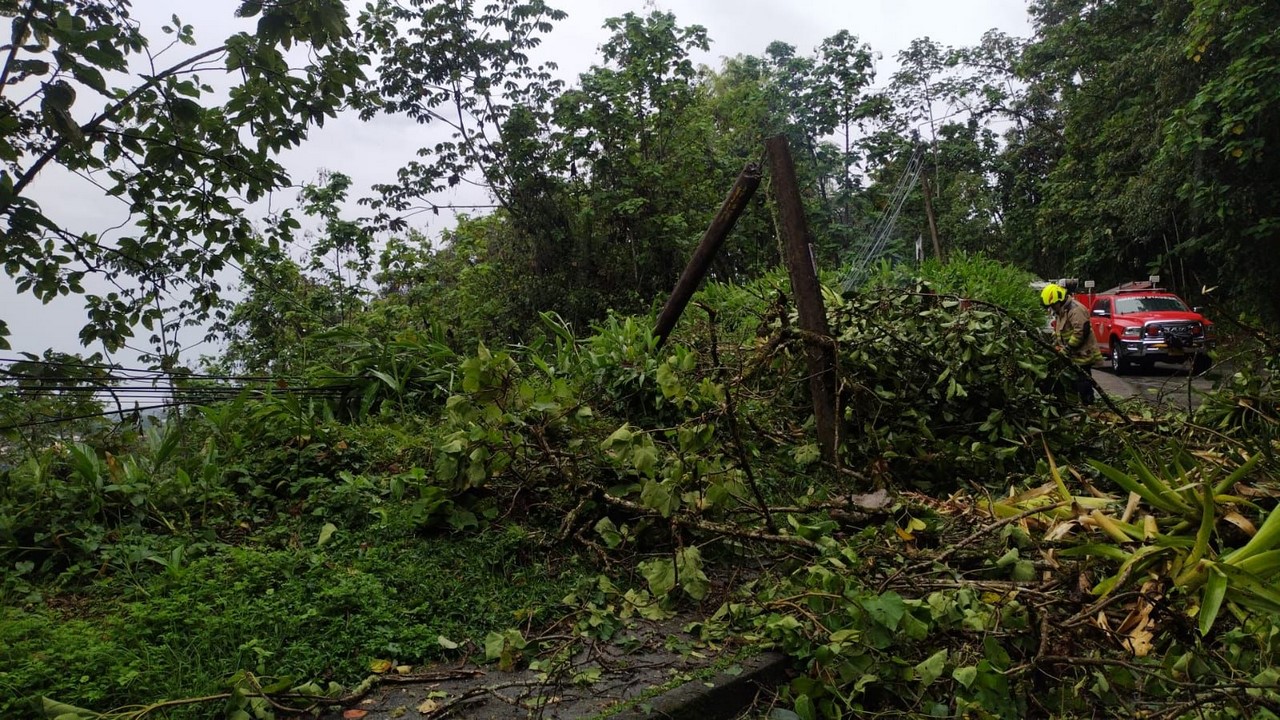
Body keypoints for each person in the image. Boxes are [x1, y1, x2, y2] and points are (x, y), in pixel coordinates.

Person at [1041, 283, 1103, 404]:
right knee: (1072, 383)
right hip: (1072, 355)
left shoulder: (1075, 310)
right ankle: (1077, 407)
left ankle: (1088, 406)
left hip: (1082, 354)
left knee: (1083, 382)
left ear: (1059, 300)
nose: (1052, 308)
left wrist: (1067, 349)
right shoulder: (1062, 311)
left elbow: (1080, 332)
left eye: (1053, 305)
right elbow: (1061, 331)